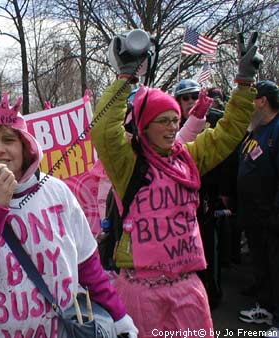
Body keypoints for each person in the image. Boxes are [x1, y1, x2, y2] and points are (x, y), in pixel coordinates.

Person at [91, 30, 262, 336]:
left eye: (174, 119)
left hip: (187, 289)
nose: (172, 127)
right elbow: (104, 129)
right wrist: (126, 76)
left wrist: (245, 82)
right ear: (144, 126)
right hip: (139, 292)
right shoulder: (127, 165)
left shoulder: (189, 158)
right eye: (163, 121)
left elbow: (228, 132)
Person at [0, 92, 138, 338]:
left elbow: (88, 268)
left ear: (25, 147)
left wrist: (119, 318)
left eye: (8, 140)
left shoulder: (57, 191)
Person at [237, 80, 279, 335]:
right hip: (254, 215)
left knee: (276, 266)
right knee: (262, 263)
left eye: (252, 100)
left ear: (262, 100)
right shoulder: (256, 130)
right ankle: (266, 307)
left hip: (272, 216)